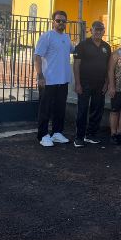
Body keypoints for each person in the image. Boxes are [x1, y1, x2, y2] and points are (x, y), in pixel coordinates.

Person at [34, 10, 73, 147]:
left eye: (63, 21)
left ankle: (57, 133)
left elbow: (73, 50)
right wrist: (40, 76)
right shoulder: (47, 37)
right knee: (45, 109)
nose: (61, 23)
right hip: (48, 80)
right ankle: (43, 135)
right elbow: (37, 57)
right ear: (53, 22)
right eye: (58, 20)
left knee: (60, 108)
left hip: (63, 80)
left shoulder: (66, 37)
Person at [73, 21, 111, 148]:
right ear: (91, 30)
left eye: (101, 30)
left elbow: (108, 67)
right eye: (96, 29)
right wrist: (77, 84)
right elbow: (76, 65)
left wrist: (106, 83)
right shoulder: (82, 45)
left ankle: (91, 135)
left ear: (104, 31)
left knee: (97, 110)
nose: (98, 32)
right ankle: (79, 137)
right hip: (84, 83)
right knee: (82, 110)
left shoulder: (107, 47)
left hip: (100, 84)